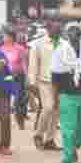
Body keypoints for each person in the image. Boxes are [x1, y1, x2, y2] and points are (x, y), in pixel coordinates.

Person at [51, 25, 81, 163]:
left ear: (80, 35)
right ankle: (67, 159)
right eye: (70, 34)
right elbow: (55, 76)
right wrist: (55, 97)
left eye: (76, 33)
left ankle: (73, 147)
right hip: (67, 94)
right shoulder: (60, 51)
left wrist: (80, 67)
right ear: (67, 36)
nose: (73, 36)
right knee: (68, 128)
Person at [28, 20, 62, 151]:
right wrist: (32, 82)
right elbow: (33, 64)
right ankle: (38, 135)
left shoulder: (63, 43)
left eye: (60, 28)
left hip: (59, 82)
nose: (59, 30)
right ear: (48, 29)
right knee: (47, 108)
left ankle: (49, 140)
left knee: (56, 111)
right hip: (44, 81)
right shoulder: (38, 44)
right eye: (56, 28)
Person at [0, 28, 29, 129]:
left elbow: (24, 63)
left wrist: (26, 77)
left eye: (5, 36)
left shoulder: (20, 49)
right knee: (5, 100)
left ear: (10, 37)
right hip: (5, 77)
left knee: (18, 100)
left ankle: (20, 119)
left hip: (18, 77)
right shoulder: (1, 49)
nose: (3, 38)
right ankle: (5, 122)